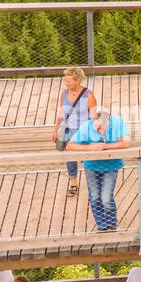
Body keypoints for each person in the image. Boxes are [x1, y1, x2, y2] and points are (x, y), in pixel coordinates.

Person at [65, 105, 129, 231]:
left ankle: (112, 225)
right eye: (97, 128)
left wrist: (105, 146)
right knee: (94, 197)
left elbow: (125, 143)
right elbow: (70, 146)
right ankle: (102, 226)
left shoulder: (117, 122)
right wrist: (90, 148)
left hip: (111, 165)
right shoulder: (86, 126)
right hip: (91, 166)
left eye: (102, 128)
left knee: (106, 197)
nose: (100, 131)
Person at [54, 67, 96, 198]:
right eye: (65, 81)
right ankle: (73, 185)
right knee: (70, 158)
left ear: (77, 80)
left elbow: (94, 116)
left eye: (69, 81)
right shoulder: (64, 94)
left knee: (87, 160)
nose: (66, 84)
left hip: (83, 132)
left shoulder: (88, 94)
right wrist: (56, 129)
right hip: (68, 131)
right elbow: (61, 113)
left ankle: (92, 187)